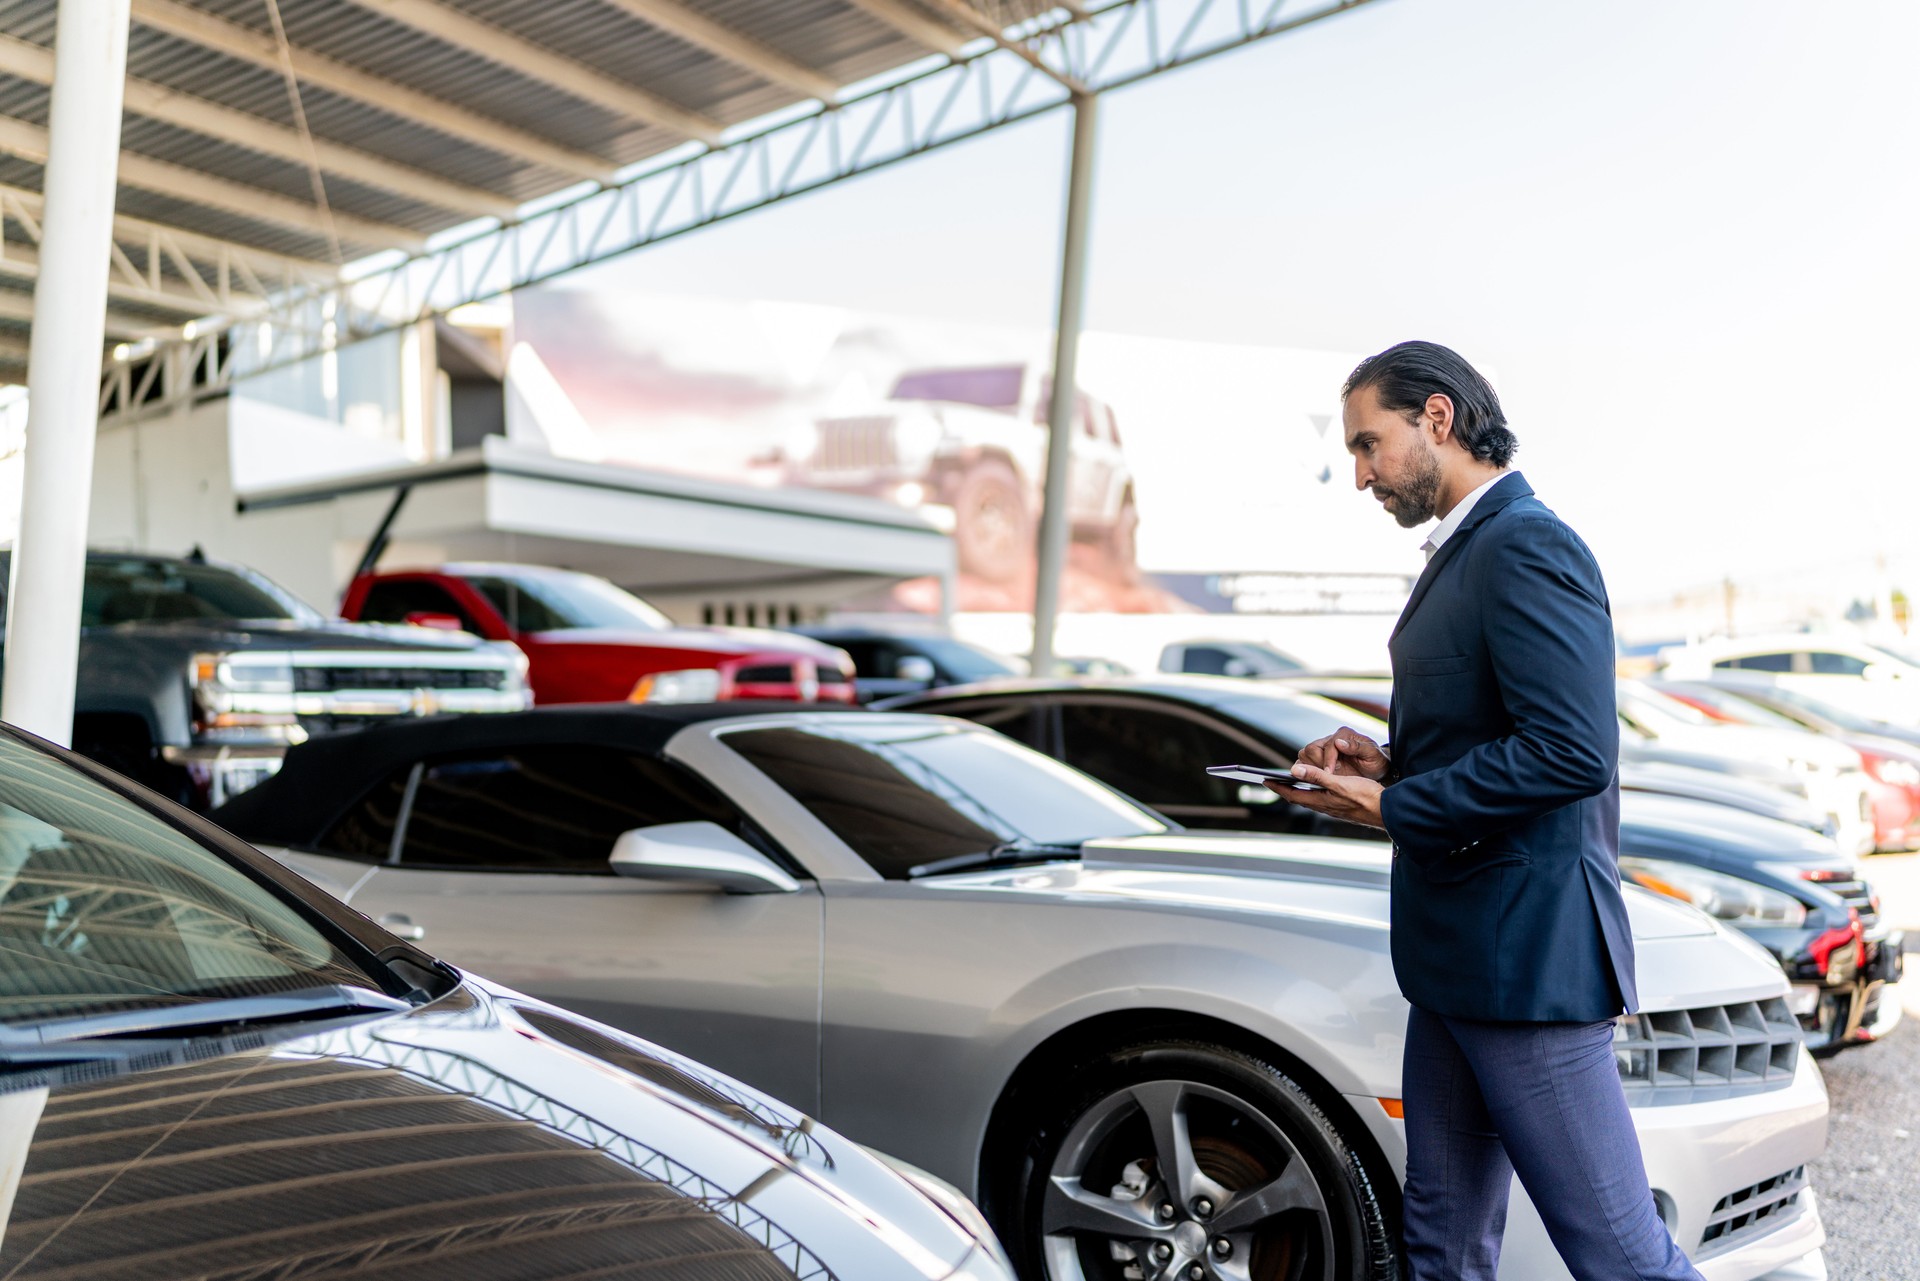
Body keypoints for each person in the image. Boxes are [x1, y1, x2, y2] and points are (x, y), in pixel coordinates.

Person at [1273, 341, 1700, 1281]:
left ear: (1437, 417)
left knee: (1622, 1256)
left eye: (1367, 444)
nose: (1359, 476)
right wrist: (1382, 764)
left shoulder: (1526, 541)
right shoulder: (1470, 548)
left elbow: (1572, 750)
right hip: (1456, 966)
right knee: (1442, 1243)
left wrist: (1397, 802)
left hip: (1525, 971)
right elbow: (1495, 733)